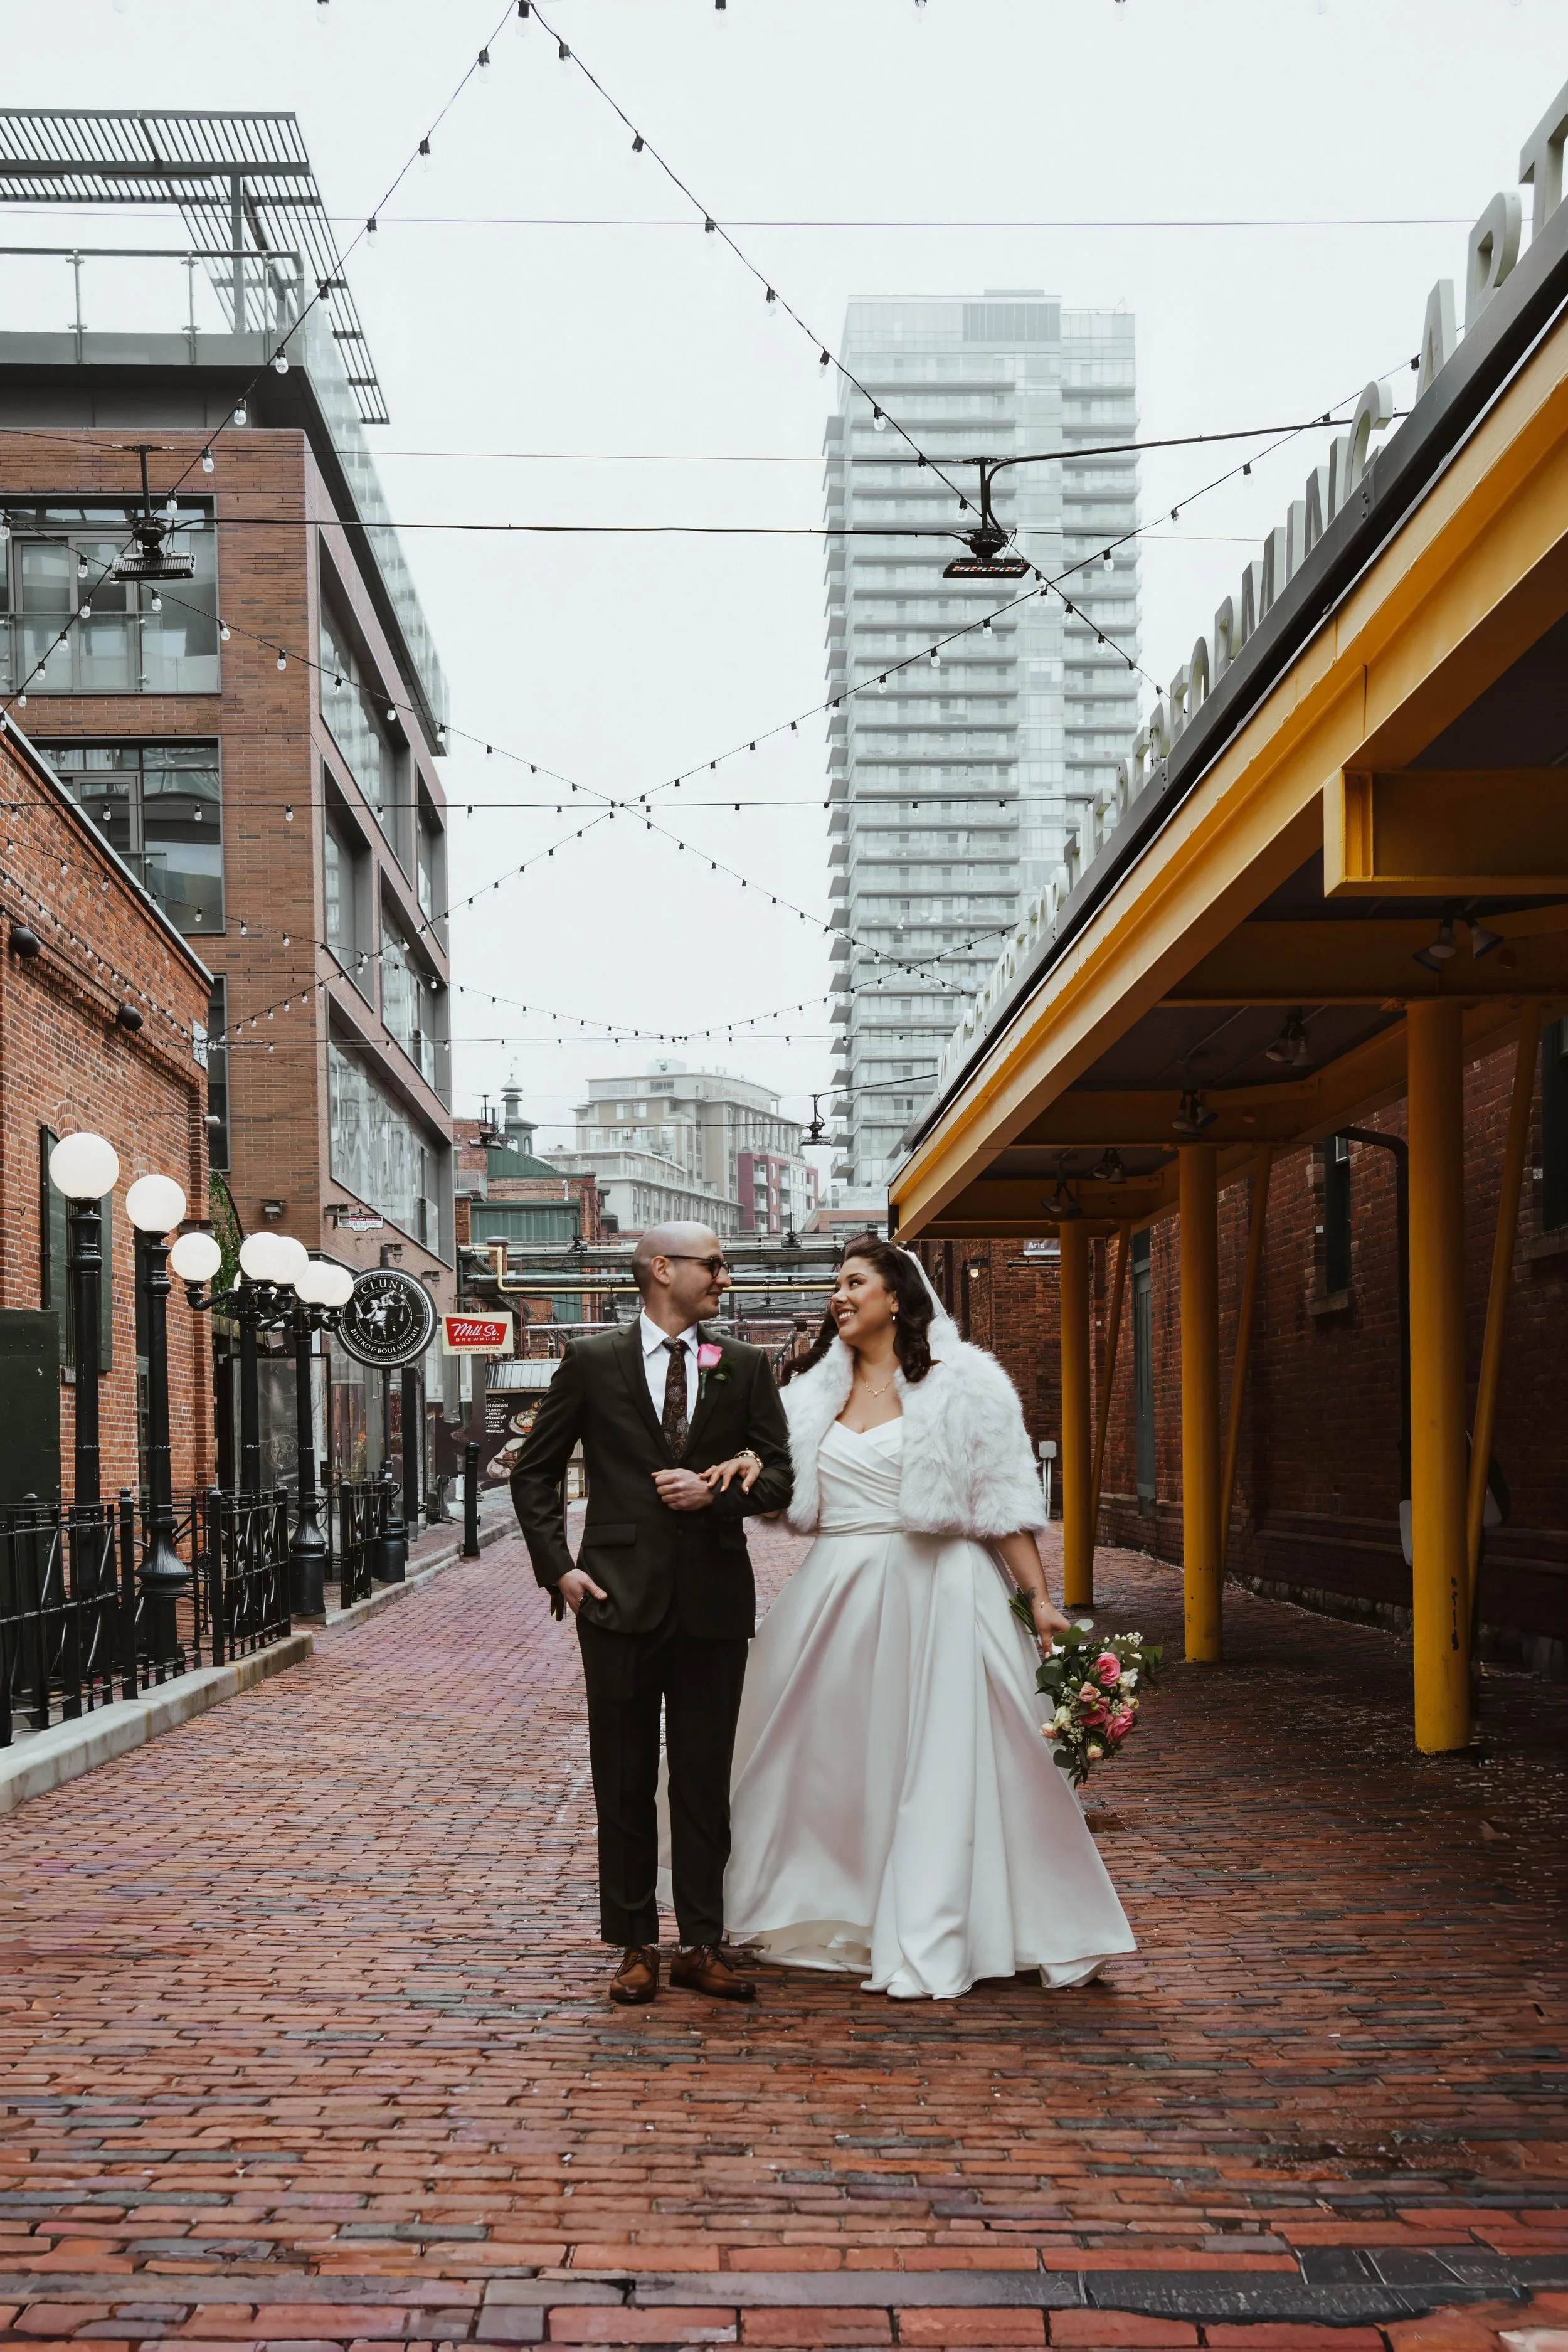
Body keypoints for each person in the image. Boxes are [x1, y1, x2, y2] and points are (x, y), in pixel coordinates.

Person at [702, 1235, 1135, 2001]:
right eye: (835, 1285)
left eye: (854, 1282)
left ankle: (949, 1919)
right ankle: (846, 1908)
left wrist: (1038, 1599)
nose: (839, 1296)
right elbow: (776, 1473)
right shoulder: (806, 1394)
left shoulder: (966, 1385)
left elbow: (1002, 1505)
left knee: (945, 1758)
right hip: (834, 1598)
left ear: (896, 1297)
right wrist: (744, 1464)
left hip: (940, 1586)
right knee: (833, 1762)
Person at [511, 1221, 792, 2009]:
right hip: (615, 1602)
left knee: (703, 1780)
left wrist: (719, 1491)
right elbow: (532, 1475)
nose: (725, 1278)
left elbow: (780, 1478)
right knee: (624, 1780)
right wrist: (558, 1569)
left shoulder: (742, 1364)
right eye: (714, 1264)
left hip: (712, 1604)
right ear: (662, 1269)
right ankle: (632, 1942)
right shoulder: (592, 1362)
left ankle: (703, 1942)